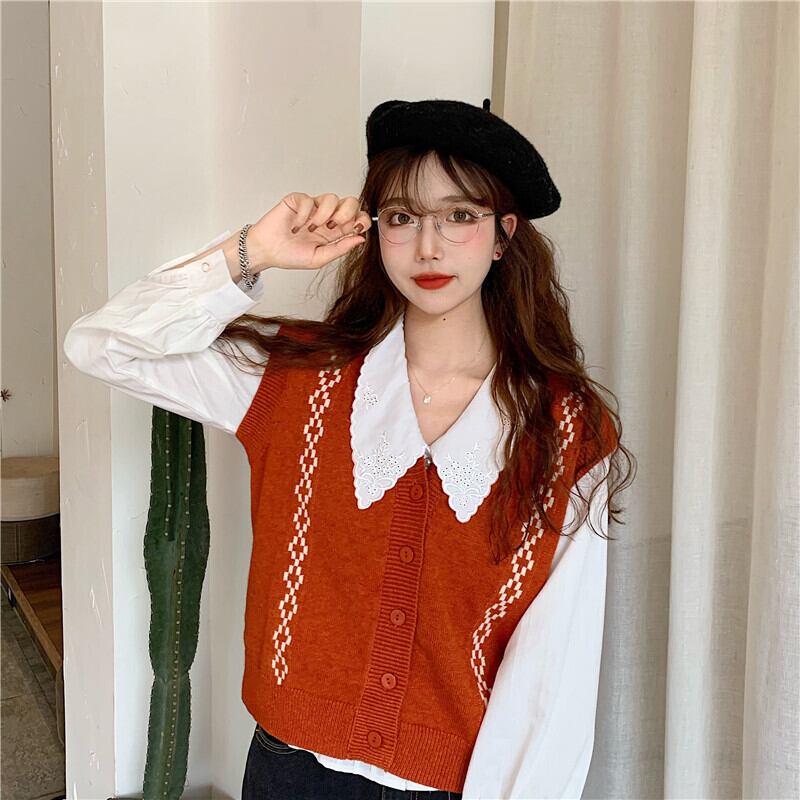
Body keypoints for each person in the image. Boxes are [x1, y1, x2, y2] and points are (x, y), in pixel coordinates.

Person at [64, 98, 635, 799]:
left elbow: (555, 673)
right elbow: (101, 347)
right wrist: (253, 251)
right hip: (287, 772)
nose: (428, 248)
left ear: (502, 235)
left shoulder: (567, 432)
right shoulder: (293, 379)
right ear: (374, 232)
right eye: (401, 218)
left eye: (460, 215)